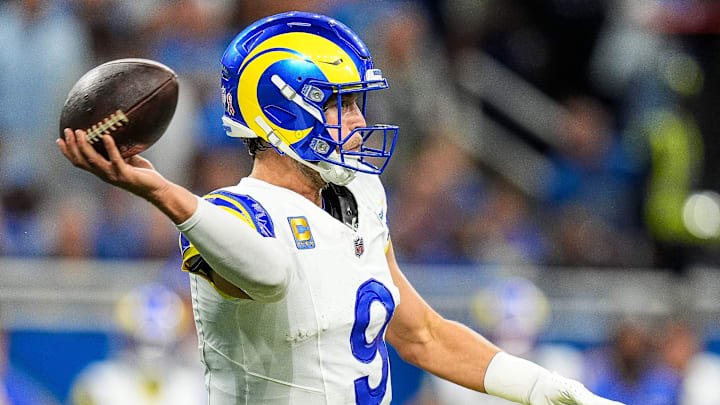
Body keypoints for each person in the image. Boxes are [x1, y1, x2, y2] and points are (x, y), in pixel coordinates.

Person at [57, 11, 625, 405]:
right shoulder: (231, 213)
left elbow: (422, 334)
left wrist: (542, 388)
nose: (357, 121)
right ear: (281, 110)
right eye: (340, 104)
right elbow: (269, 269)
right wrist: (162, 192)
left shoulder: (359, 194)